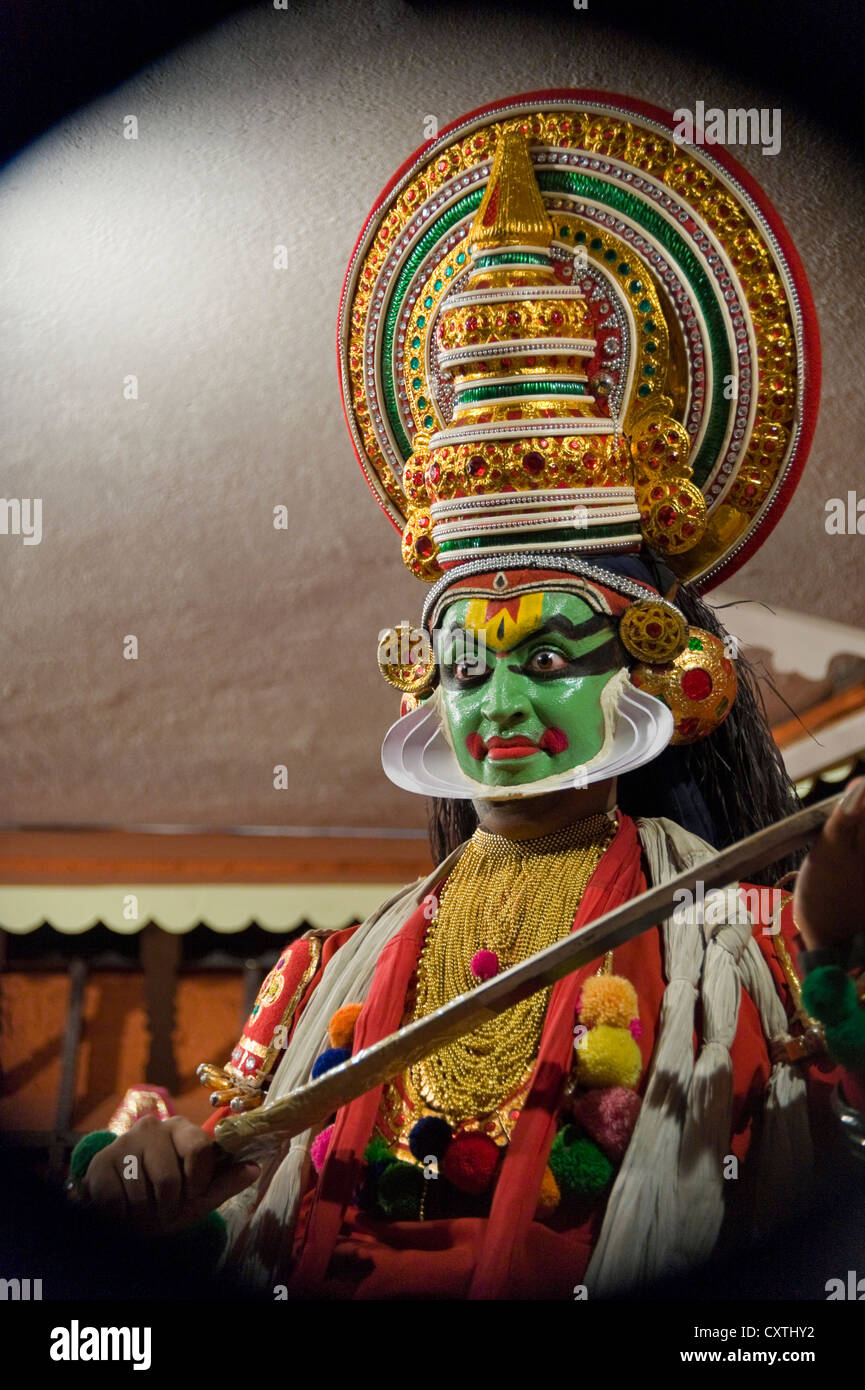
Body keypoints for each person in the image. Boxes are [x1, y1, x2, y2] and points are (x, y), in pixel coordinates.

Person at [76, 93, 865, 1300]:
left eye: (547, 656)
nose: (495, 695)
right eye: (463, 663)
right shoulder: (319, 975)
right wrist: (136, 1176)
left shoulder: (733, 933)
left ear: (652, 673)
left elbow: (826, 1022)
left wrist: (838, 913)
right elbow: (203, 1174)